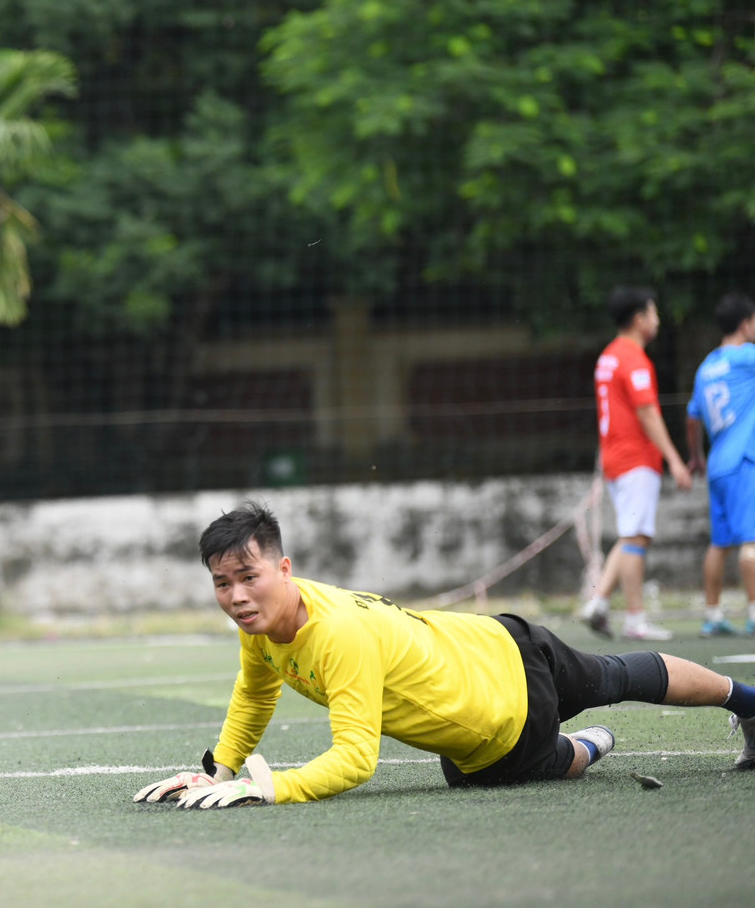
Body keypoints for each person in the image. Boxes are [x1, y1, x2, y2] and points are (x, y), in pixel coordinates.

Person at [133, 502, 755, 809]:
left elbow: (355, 760)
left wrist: (272, 789)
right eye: (222, 584)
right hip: (499, 638)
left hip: (502, 729)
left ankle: (591, 743)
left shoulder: (337, 634)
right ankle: (744, 700)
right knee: (615, 673)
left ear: (284, 568)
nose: (237, 597)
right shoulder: (261, 624)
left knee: (479, 773)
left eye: (248, 576)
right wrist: (219, 770)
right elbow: (255, 691)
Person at [580, 285, 692, 641]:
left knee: (631, 533)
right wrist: (674, 459)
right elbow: (647, 413)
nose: (657, 320)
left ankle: (598, 603)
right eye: (654, 313)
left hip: (614, 458)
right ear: (640, 319)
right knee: (637, 538)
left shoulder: (608, 356)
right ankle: (635, 618)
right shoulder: (632, 359)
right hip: (635, 459)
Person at [685, 292, 755, 637]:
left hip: (716, 464)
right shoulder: (748, 357)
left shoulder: (706, 367)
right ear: (746, 324)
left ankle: (712, 614)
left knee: (719, 543)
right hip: (744, 460)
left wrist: (696, 454)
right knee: (751, 541)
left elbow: (692, 417)